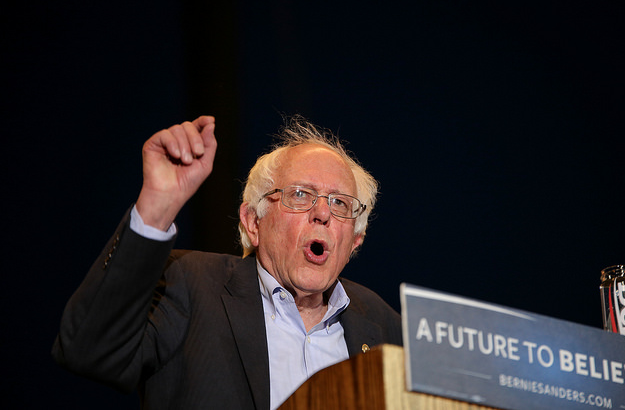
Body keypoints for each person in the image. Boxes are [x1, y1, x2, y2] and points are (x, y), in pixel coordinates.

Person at [52, 115, 402, 410]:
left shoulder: (386, 327)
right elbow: (88, 352)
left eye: (340, 203)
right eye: (301, 195)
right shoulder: (190, 285)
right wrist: (156, 207)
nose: (323, 213)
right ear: (253, 222)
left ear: (354, 240)